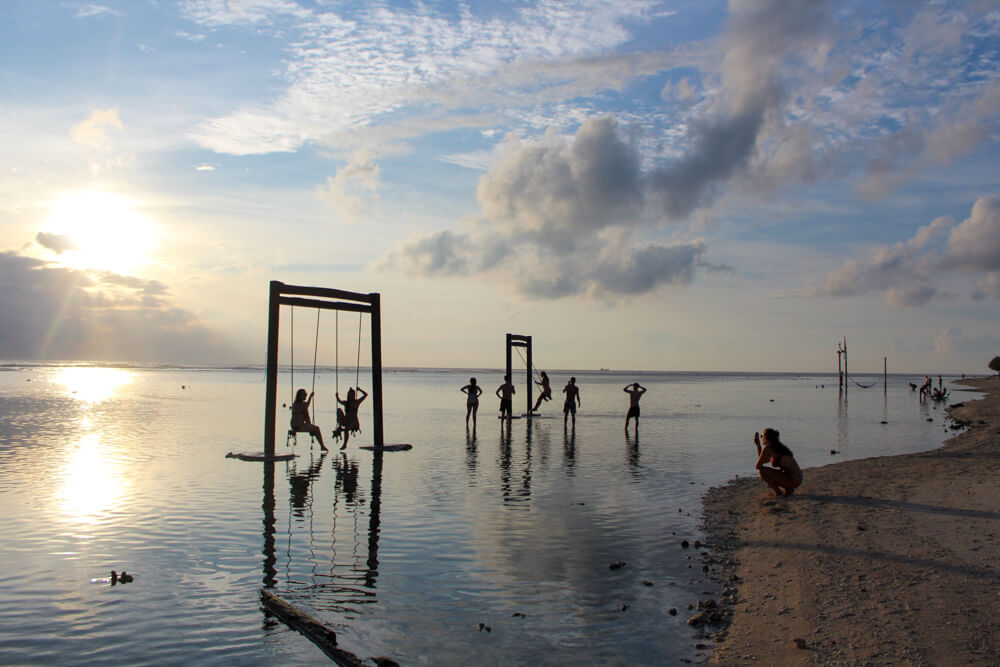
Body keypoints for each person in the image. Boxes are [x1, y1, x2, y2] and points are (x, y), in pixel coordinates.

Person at [753, 428, 802, 496]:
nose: (761, 438)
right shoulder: (778, 447)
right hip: (798, 479)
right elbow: (763, 460)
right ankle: (788, 489)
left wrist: (758, 445)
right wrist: (758, 446)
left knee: (762, 471)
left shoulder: (768, 448)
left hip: (792, 479)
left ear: (766, 438)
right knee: (764, 470)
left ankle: (778, 492)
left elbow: (758, 466)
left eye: (762, 436)